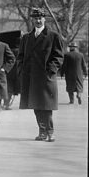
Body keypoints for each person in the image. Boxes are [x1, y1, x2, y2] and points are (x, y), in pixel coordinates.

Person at [17, 8, 64, 142]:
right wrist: (21, 70)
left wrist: (51, 70)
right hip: (31, 78)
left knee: (46, 107)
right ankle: (42, 132)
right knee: (36, 106)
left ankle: (50, 132)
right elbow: (20, 56)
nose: (38, 20)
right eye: (35, 18)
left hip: (46, 77)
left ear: (45, 19)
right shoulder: (26, 37)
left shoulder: (53, 36)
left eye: (40, 18)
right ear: (32, 19)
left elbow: (59, 56)